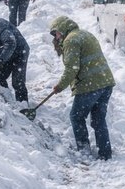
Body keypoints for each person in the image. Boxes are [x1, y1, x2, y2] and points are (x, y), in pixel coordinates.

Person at [48, 16, 116, 161]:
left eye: (57, 33)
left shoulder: (71, 40)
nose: (57, 37)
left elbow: (72, 68)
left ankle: (84, 150)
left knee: (76, 116)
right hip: (105, 82)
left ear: (63, 28)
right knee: (98, 119)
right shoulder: (85, 34)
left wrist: (60, 86)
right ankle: (105, 153)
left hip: (90, 85)